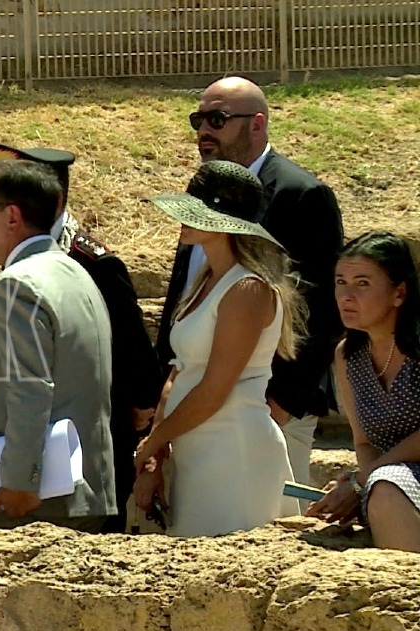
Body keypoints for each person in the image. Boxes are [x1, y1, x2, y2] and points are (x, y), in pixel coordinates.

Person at [156, 77, 344, 488]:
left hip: (264, 411)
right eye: (198, 120)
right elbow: (187, 289)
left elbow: (321, 313)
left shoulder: (302, 195)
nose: (204, 131)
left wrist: (278, 406)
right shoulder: (207, 190)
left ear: (257, 124)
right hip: (192, 409)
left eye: (217, 119)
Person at [0, 143, 162, 533]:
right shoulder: (24, 255)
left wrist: (139, 413)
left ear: (54, 197)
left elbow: (133, 355)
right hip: (42, 460)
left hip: (83, 460)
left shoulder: (93, 263)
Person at [0, 159, 116, 532]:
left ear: (12, 216)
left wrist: (20, 480)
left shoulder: (19, 284)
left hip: (32, 504)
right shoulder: (75, 273)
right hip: (76, 493)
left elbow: (30, 388)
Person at [136, 161, 303, 536]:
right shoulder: (208, 280)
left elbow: (214, 389)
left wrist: (155, 442)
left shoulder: (247, 289)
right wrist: (156, 449)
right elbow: (179, 372)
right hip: (197, 449)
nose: (182, 218)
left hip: (233, 453)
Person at [307, 233, 420, 552]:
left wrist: (363, 480)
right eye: (340, 282)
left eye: (363, 284)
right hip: (390, 481)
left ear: (399, 293)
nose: (346, 295)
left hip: (391, 481)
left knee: (385, 487)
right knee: (384, 489)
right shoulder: (348, 356)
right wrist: (363, 483)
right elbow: (363, 442)